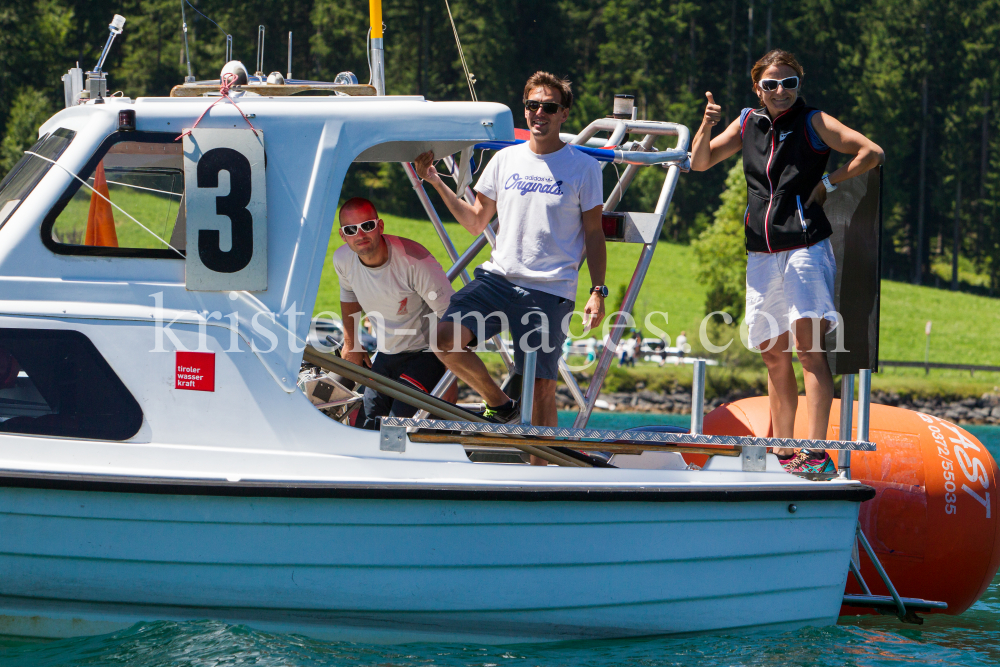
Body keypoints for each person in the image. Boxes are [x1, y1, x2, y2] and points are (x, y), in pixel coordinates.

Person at [690, 49, 884, 474]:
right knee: (772, 354)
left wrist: (830, 183)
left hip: (805, 249)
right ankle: (781, 447)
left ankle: (814, 451)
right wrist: (706, 123)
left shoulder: (814, 121)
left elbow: (871, 152)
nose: (782, 91)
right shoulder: (746, 121)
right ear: (757, 88)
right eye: (772, 84)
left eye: (790, 83)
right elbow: (700, 162)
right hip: (761, 252)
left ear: (800, 84)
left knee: (808, 352)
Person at [414, 71, 607, 462]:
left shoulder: (584, 168)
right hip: (498, 278)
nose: (539, 113)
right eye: (532, 105)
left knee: (541, 390)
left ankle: (544, 471)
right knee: (444, 339)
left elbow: (594, 234)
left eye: (549, 107)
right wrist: (435, 180)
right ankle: (500, 405)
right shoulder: (505, 160)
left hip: (550, 290)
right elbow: (474, 221)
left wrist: (597, 291)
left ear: (564, 114)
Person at [334, 197, 456, 430]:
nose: (360, 235)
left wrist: (452, 376)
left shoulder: (414, 260)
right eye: (351, 230)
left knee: (397, 424)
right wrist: (352, 344)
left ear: (380, 226)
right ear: (343, 235)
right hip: (388, 352)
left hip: (429, 352)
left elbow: (451, 315)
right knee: (366, 423)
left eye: (367, 226)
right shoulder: (342, 260)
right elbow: (349, 295)